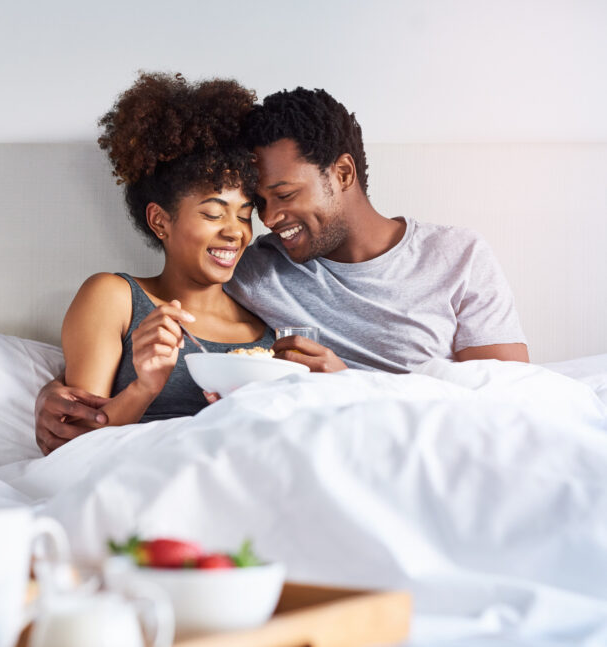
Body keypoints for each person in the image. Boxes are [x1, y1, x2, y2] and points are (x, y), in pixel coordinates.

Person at [36, 86, 529, 453]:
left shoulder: (459, 256)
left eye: (283, 197)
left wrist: (348, 383)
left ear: (342, 173)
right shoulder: (254, 270)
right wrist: (56, 398)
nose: (265, 223)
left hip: (425, 454)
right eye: (261, 204)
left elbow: (514, 405)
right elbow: (77, 426)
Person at [50, 72, 274, 443]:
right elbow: (70, 442)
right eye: (213, 213)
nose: (236, 231)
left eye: (245, 214)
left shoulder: (266, 328)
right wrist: (145, 387)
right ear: (160, 220)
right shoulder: (115, 298)